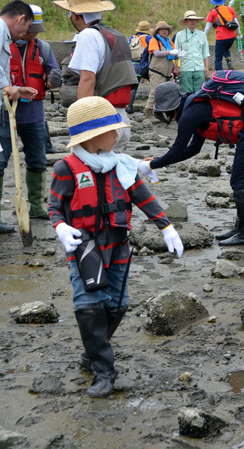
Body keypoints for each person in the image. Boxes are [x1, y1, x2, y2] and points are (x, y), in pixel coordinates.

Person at [49, 96, 183, 397]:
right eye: (113, 131)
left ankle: (93, 349)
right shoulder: (66, 168)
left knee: (117, 305)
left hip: (119, 245)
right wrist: (60, 227)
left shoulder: (121, 165)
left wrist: (167, 226)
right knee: (88, 306)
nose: (119, 135)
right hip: (85, 250)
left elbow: (143, 196)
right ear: (94, 136)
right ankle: (104, 371)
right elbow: (55, 206)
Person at [140, 74, 244, 246]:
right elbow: (193, 149)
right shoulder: (196, 106)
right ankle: (240, 229)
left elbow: (176, 152)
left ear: (169, 107)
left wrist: (151, 164)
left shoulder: (190, 113)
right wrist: (157, 160)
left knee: (240, 182)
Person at [53, 0, 138, 152]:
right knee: (111, 176)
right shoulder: (115, 35)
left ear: (74, 15)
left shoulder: (88, 35)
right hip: (120, 118)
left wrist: (81, 121)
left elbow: (88, 79)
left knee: (84, 173)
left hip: (100, 120)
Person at [1, 4, 62, 228]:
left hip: (34, 114)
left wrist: (54, 79)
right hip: (6, 113)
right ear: (22, 23)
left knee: (37, 160)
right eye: (30, 29)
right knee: (0, 162)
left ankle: (36, 206)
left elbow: (53, 75)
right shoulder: (3, 44)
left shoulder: (43, 48)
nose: (34, 33)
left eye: (37, 30)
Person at [143, 21, 178, 120]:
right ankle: (148, 113)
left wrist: (177, 63)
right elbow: (157, 53)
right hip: (156, 71)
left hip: (167, 73)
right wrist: (170, 52)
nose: (164, 31)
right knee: (155, 92)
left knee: (165, 93)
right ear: (157, 31)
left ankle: (160, 113)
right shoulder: (154, 41)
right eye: (162, 29)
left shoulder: (169, 42)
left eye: (166, 29)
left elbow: (175, 55)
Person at [174, 10, 210, 93]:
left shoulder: (202, 34)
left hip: (199, 67)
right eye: (190, 20)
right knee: (186, 93)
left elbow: (206, 52)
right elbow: (176, 52)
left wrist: (206, 67)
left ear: (197, 21)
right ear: (186, 21)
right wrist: (176, 67)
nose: (192, 21)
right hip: (185, 68)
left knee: (199, 93)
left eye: (194, 19)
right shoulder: (179, 35)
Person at [205, 0, 242, 71]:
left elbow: (208, 27)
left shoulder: (213, 12)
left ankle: (219, 75)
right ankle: (229, 62)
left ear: (214, 2)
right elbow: (236, 22)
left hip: (221, 37)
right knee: (225, 48)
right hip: (232, 36)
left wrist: (204, 36)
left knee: (218, 58)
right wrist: (239, 33)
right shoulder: (230, 9)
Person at [126, 20, 152, 114]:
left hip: (133, 64)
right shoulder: (148, 38)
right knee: (153, 85)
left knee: (134, 86)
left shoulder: (133, 38)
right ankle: (153, 106)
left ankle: (129, 106)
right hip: (145, 64)